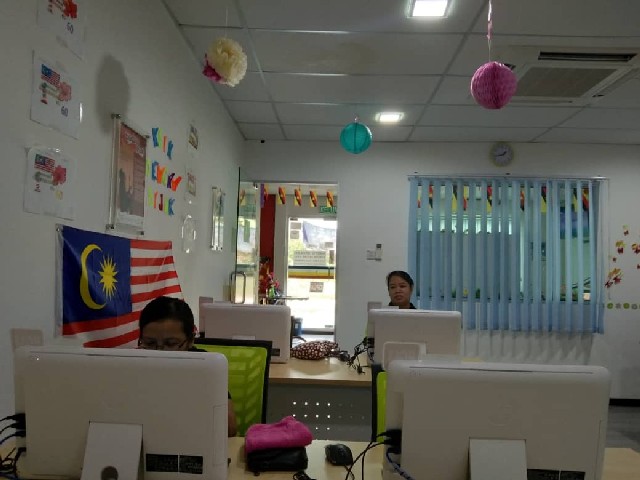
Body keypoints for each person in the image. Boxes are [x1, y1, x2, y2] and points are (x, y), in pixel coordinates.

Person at [138, 296, 238, 436]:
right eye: (149, 343)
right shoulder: (131, 364)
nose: (159, 352)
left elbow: (229, 428)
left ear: (190, 340)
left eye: (171, 344)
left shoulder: (206, 367)